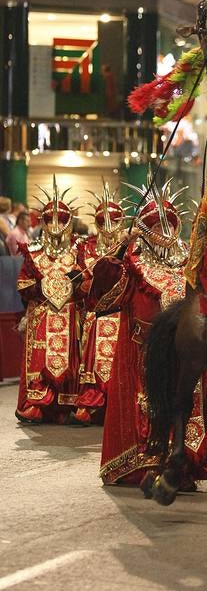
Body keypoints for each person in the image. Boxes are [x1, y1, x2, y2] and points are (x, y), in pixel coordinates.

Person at [98, 178, 207, 490]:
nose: (164, 234)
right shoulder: (132, 265)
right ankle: (146, 463)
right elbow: (100, 298)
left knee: (184, 406)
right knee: (149, 406)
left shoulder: (190, 263)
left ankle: (182, 464)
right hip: (143, 357)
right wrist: (119, 250)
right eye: (156, 226)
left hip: (185, 355)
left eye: (169, 225)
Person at [15, 178, 82, 424]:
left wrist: (77, 283)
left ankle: (64, 404)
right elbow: (22, 283)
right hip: (42, 313)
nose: (56, 225)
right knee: (40, 357)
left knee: (68, 357)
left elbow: (86, 286)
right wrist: (38, 287)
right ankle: (37, 403)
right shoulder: (32, 252)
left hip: (68, 312)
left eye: (62, 220)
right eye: (51, 220)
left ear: (69, 223)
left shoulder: (78, 252)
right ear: (42, 222)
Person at [72, 182, 126, 425]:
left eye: (114, 221)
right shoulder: (86, 247)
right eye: (103, 222)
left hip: (124, 308)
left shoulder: (132, 247)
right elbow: (78, 278)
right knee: (96, 328)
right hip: (94, 311)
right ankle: (91, 398)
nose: (109, 227)